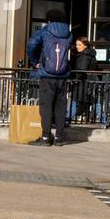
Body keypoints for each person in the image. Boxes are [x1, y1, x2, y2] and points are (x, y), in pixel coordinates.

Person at [27, 9, 72, 146]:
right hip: (63, 75)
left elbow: (32, 44)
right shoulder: (69, 33)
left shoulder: (45, 31)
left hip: (47, 74)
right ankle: (59, 137)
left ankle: (46, 137)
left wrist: (35, 62)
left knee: (46, 107)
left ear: (49, 20)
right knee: (60, 106)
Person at [69, 35, 102, 126]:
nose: (77, 46)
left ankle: (67, 119)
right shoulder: (90, 54)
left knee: (75, 101)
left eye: (79, 45)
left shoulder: (84, 56)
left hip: (83, 83)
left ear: (85, 45)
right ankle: (104, 119)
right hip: (89, 82)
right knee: (94, 102)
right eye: (76, 45)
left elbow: (81, 70)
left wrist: (75, 80)